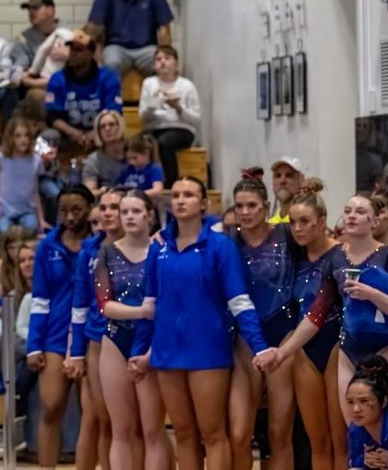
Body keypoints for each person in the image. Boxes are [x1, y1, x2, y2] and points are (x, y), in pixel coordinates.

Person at [130, 177, 273, 470]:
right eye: (177, 195)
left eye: (189, 195)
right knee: (183, 433)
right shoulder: (159, 248)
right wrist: (140, 349)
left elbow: (239, 301)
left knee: (212, 434)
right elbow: (149, 305)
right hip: (167, 353)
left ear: (204, 204)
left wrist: (259, 347)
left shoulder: (220, 247)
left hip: (208, 352)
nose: (181, 200)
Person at [268, 193, 388, 424]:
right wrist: (282, 352)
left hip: (385, 349)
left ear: (374, 221)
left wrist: (372, 295)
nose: (351, 216)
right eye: (347, 211)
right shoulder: (335, 258)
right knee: (355, 432)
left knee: (386, 430)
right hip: (349, 350)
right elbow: (316, 315)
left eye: (359, 212)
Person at [226, 170, 299, 470]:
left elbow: (324, 246)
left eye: (252, 205)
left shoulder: (287, 236)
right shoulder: (227, 242)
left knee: (279, 433)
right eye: (239, 206)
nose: (245, 212)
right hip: (245, 338)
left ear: (266, 207)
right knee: (239, 432)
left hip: (283, 335)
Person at [94, 191, 169, 470]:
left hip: (153, 341)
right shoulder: (107, 253)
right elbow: (105, 305)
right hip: (116, 339)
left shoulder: (162, 252)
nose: (128, 217)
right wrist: (142, 311)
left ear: (149, 215)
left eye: (135, 211)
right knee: (121, 430)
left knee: (152, 430)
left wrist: (151, 350)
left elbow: (170, 303)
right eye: (124, 212)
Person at [28, 184, 94, 469]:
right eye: (64, 210)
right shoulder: (47, 246)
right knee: (52, 407)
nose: (69, 216)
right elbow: (39, 299)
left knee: (92, 413)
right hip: (54, 336)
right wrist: (34, 344)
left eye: (76, 210)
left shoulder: (99, 245)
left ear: (89, 210)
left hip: (92, 336)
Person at [285, 179, 347, 470]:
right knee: (317, 439)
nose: (297, 228)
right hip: (304, 350)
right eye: (293, 222)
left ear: (321, 222)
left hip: (336, 344)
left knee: (340, 437)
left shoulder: (340, 255)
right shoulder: (294, 256)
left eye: (305, 221)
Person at [67, 192, 120, 470]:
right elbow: (80, 303)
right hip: (98, 339)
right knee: (103, 419)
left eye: (115, 207)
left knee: (144, 426)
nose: (108, 212)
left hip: (138, 340)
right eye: (104, 207)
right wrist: (75, 352)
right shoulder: (90, 250)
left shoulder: (151, 247)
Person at [85, 0, 174, 78]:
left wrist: (165, 55)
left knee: (161, 63)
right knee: (111, 62)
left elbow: (164, 28)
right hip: (117, 48)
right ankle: (112, 97)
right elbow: (94, 26)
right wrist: (94, 56)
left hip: (146, 48)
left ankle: (159, 97)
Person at [43, 29, 122, 151]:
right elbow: (52, 117)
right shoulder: (57, 79)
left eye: (79, 49)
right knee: (46, 137)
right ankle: (43, 169)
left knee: (117, 133)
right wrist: (74, 133)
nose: (73, 53)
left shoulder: (108, 78)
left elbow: (114, 113)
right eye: (71, 49)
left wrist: (94, 133)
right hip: (68, 134)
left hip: (100, 132)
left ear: (91, 54)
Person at [138, 45, 200, 180]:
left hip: (181, 129)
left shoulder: (187, 85)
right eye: (158, 59)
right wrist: (154, 102)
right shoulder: (149, 84)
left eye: (167, 58)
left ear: (176, 63)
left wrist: (178, 108)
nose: (162, 62)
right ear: (154, 65)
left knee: (165, 142)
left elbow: (196, 119)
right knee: (136, 143)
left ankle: (171, 182)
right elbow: (142, 116)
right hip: (154, 127)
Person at [0, 117, 49, 235]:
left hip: (27, 212)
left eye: (26, 135)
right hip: (5, 213)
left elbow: (35, 192)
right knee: (5, 231)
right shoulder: (2, 158)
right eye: (18, 136)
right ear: (11, 138)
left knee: (31, 228)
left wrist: (41, 219)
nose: (23, 140)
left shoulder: (36, 160)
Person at [12, 0, 60, 72]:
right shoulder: (23, 40)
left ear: (50, 10)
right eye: (29, 9)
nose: (31, 12)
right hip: (35, 81)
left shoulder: (69, 34)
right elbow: (19, 70)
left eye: (36, 8)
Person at [268, 155, 306, 224]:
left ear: (302, 181)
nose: (282, 181)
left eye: (289, 175)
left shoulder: (306, 221)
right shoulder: (270, 224)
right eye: (278, 175)